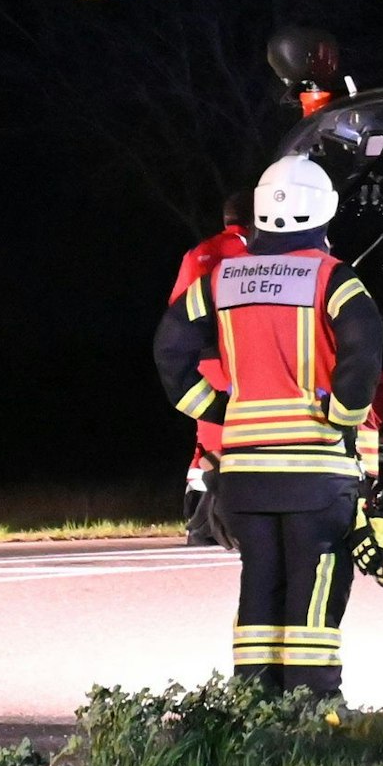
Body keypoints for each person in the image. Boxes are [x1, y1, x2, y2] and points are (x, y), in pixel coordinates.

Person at [153, 155, 383, 699]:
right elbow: (363, 350)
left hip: (244, 472)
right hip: (314, 470)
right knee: (315, 582)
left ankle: (254, 703)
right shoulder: (333, 277)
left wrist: (214, 408)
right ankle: (314, 704)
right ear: (322, 213)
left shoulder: (221, 278)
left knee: (259, 584)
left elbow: (170, 348)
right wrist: (344, 417)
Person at [170, 194, 251, 546]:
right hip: (238, 352)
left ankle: (202, 522)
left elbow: (179, 309)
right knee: (244, 432)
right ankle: (217, 522)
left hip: (203, 355)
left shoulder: (198, 253)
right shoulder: (254, 255)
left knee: (209, 438)